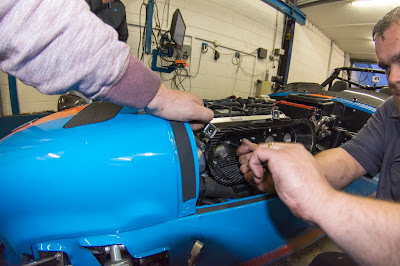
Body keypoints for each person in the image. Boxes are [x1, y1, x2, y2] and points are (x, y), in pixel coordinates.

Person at [237, 6, 400, 265]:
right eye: (386, 67)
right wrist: (282, 174)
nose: (393, 78)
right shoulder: (391, 110)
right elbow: (348, 160)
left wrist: (322, 202)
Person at [0, 0, 213, 130]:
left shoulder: (119, 9)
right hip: (91, 74)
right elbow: (38, 21)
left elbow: (121, 41)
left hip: (103, 77)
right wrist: (158, 95)